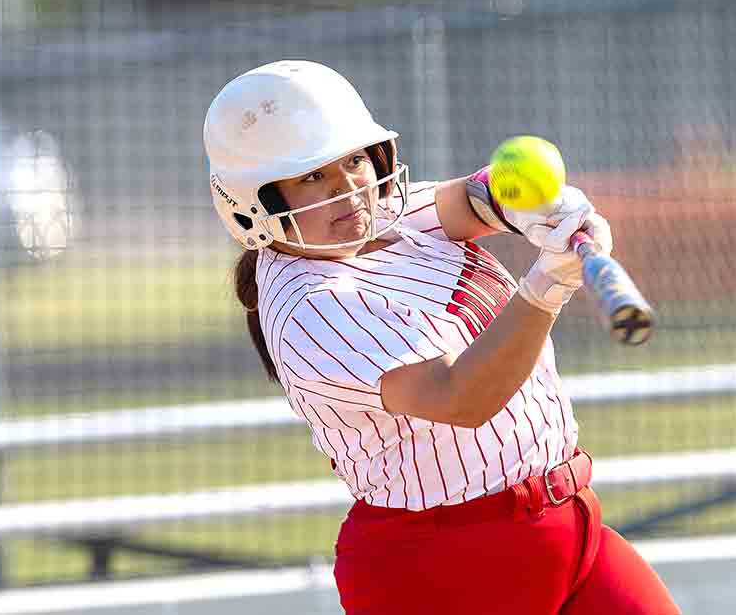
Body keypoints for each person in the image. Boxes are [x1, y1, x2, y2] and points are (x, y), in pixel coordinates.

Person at [204, 60, 679, 615]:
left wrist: (541, 210)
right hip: (444, 565)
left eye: (354, 160)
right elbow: (460, 397)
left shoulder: (387, 219)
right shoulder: (313, 305)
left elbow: (475, 199)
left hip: (567, 524)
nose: (348, 189)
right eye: (313, 176)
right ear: (256, 201)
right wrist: (547, 285)